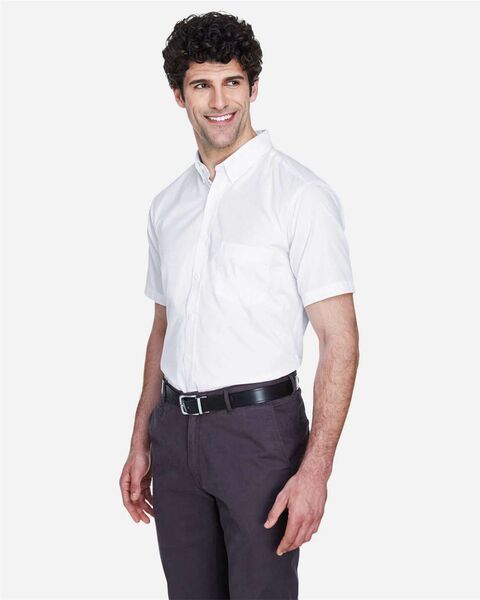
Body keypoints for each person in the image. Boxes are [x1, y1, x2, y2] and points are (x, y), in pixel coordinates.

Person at [120, 10, 360, 600]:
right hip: (175, 433)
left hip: (260, 437)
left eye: (232, 81)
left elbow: (340, 341)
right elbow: (163, 327)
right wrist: (141, 436)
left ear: (253, 87)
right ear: (179, 95)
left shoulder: (299, 195)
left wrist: (316, 470)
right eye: (201, 84)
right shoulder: (167, 205)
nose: (219, 100)